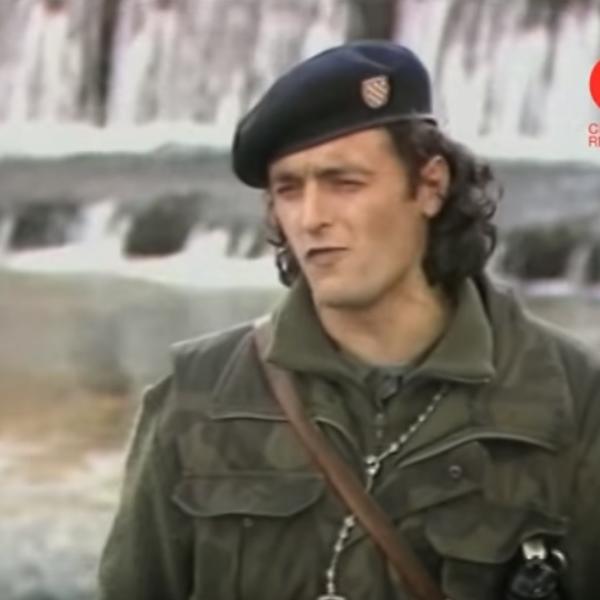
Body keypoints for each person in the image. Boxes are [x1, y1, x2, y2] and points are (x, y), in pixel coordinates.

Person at [97, 41, 600, 600]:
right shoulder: (198, 396)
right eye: (289, 190)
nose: (311, 218)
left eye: (345, 183)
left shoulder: (570, 397)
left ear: (430, 186)